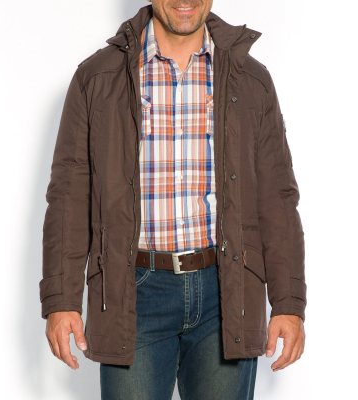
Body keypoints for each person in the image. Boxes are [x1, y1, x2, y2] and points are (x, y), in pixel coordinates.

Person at [39, 1, 307, 399]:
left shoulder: (251, 79)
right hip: (133, 294)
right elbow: (69, 196)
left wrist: (288, 303)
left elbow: (277, 197)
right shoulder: (97, 78)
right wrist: (61, 299)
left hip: (226, 293)